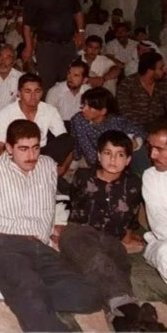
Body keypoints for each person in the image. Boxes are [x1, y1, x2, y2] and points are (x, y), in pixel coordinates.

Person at [0, 119, 102, 331]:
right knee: (33, 300)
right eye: (23, 149)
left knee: (89, 296)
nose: (31, 156)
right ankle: (23, 293)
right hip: (4, 244)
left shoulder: (47, 165)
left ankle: (11, 291)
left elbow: (48, 205)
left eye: (35, 148)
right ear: (9, 148)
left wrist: (47, 235)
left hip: (39, 245)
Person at [58, 131, 162, 331]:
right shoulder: (82, 176)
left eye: (120, 154)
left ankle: (123, 323)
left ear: (129, 159)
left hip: (111, 240)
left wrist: (129, 236)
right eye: (107, 153)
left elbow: (130, 217)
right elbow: (74, 206)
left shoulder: (134, 184)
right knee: (98, 259)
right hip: (79, 234)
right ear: (98, 155)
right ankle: (132, 309)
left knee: (116, 265)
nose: (113, 159)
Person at [21, 0, 85, 94]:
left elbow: (77, 11)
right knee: (46, 82)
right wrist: (29, 46)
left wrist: (80, 32)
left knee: (69, 80)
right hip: (47, 46)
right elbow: (27, 25)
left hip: (68, 44)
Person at [0, 73, 73, 176]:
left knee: (69, 139)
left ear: (42, 92)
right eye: (28, 91)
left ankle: (41, 172)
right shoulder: (5, 113)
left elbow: (64, 141)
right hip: (17, 157)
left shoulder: (50, 110)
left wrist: (64, 167)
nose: (33, 96)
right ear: (19, 93)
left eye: (37, 91)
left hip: (41, 155)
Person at [69, 87, 147, 172]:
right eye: (84, 104)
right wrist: (75, 159)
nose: (84, 109)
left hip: (118, 159)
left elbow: (139, 131)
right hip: (96, 161)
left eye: (90, 107)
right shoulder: (78, 120)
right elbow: (77, 143)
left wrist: (136, 142)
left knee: (140, 151)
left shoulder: (116, 121)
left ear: (103, 111)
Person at [117, 51, 167, 129]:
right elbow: (125, 113)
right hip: (135, 128)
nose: (164, 70)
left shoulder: (163, 84)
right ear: (150, 71)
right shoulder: (127, 85)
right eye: (161, 68)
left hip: (160, 127)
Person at [143, 124, 167, 284]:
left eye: (159, 149)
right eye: (151, 148)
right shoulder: (151, 177)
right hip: (162, 242)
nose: (152, 155)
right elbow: (160, 225)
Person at [46, 59, 90, 125]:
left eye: (76, 75)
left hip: (82, 127)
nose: (70, 78)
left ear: (84, 80)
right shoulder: (55, 92)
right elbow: (48, 118)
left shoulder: (89, 92)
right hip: (60, 127)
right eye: (69, 73)